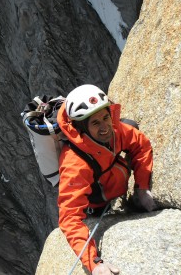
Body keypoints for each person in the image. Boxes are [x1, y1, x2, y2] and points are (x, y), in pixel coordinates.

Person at [57, 84, 155, 274]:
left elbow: (140, 145)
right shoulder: (75, 164)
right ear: (81, 128)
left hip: (107, 168)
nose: (105, 127)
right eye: (95, 123)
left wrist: (142, 188)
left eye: (105, 117)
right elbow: (70, 217)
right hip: (95, 200)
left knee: (131, 126)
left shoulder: (115, 130)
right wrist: (94, 263)